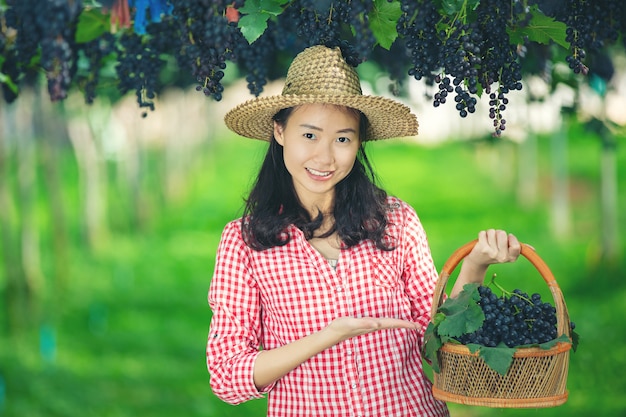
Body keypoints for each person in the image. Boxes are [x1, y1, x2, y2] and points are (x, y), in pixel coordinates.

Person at [206, 45, 521, 417]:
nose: (325, 157)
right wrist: (329, 336)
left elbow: (441, 339)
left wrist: (476, 266)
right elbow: (227, 374)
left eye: (343, 139)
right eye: (309, 135)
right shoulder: (244, 241)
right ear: (279, 130)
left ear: (358, 143)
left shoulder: (394, 220)